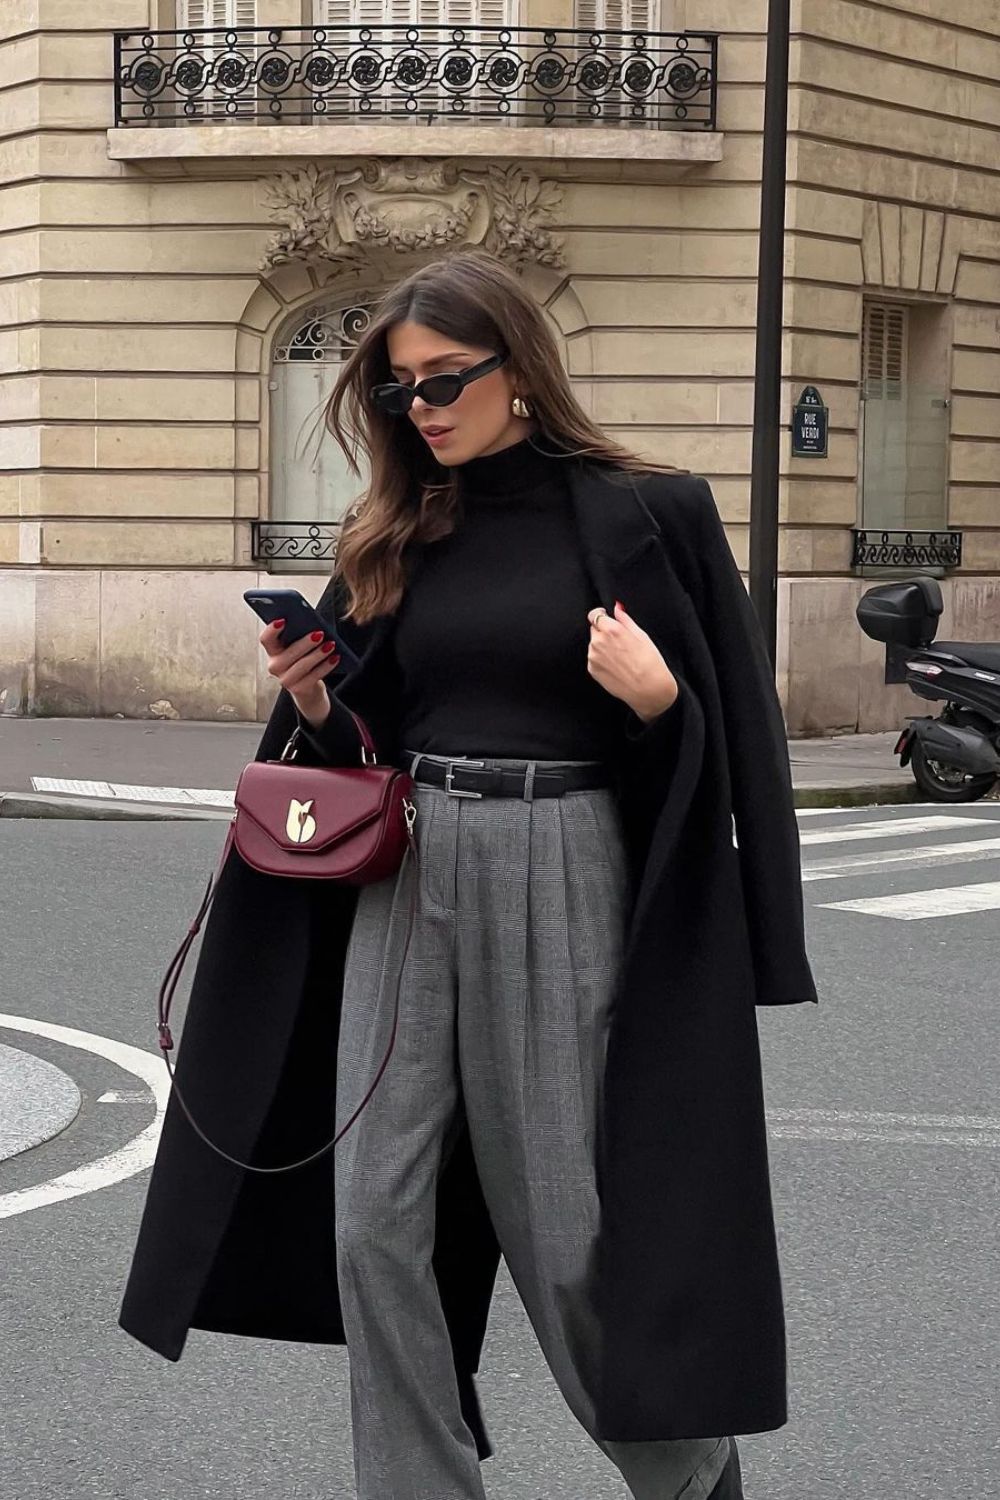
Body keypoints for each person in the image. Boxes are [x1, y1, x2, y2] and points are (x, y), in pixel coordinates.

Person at [119, 249, 818, 1500]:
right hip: (409, 873)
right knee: (370, 1220)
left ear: (521, 372)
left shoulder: (646, 511)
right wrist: (322, 700)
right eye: (399, 391)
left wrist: (663, 705)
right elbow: (371, 741)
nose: (422, 409)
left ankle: (687, 1477)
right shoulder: (401, 524)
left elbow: (732, 749)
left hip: (566, 865)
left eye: (445, 380)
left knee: (567, 1232)